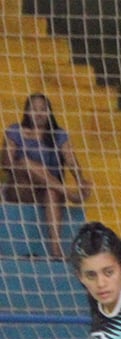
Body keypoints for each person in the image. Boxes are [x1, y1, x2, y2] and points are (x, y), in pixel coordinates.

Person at [3, 94, 92, 259]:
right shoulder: (15, 131)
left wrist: (80, 180)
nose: (39, 113)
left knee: (52, 191)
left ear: (49, 112)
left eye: (43, 109)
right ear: (27, 112)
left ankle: (56, 250)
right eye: (34, 109)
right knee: (25, 162)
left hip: (47, 192)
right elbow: (7, 165)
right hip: (20, 189)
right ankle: (69, 194)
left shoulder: (58, 134)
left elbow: (70, 159)